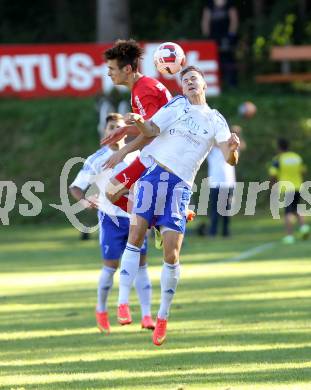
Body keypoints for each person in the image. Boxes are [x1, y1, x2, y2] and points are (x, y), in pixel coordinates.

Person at [115, 65, 240, 346]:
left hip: (180, 187)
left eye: (194, 79)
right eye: (185, 81)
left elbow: (229, 158)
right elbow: (150, 129)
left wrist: (232, 150)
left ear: (204, 84)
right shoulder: (175, 106)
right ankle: (122, 303)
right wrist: (138, 120)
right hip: (154, 176)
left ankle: (162, 317)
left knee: (171, 254)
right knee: (135, 236)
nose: (190, 84)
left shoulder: (215, 119)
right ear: (182, 88)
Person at [69, 113, 155, 334]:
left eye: (119, 126)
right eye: (110, 127)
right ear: (105, 132)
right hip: (111, 220)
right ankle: (101, 310)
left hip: (136, 217)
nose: (114, 130)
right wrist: (86, 200)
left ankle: (146, 315)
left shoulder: (137, 154)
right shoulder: (96, 159)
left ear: (125, 131)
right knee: (110, 267)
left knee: (141, 265)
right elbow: (75, 187)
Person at [101, 39, 172, 213]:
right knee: (119, 193)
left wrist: (123, 151)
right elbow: (152, 126)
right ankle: (156, 219)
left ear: (126, 69)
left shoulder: (143, 90)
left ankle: (156, 220)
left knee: (112, 191)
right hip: (160, 152)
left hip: (160, 156)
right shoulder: (143, 86)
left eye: (111, 69)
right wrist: (125, 129)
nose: (108, 73)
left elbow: (152, 132)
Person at [198, 125, 246, 237]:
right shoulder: (211, 149)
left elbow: (242, 145)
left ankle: (225, 232)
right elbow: (208, 141)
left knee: (226, 209)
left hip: (228, 182)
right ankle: (213, 231)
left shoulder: (231, 148)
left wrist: (237, 135)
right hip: (215, 182)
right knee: (214, 209)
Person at [269, 138, 310, 244]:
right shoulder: (297, 157)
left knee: (288, 212)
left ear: (279, 147)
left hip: (286, 188)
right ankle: (304, 227)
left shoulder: (278, 159)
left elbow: (273, 174)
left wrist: (272, 186)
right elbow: (302, 171)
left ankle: (289, 236)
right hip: (298, 186)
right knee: (295, 208)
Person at [201, 0, 239, 87]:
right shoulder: (209, 4)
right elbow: (205, 21)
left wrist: (231, 35)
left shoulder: (230, 4)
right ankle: (217, 83)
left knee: (228, 59)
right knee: (215, 59)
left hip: (226, 37)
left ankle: (232, 83)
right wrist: (207, 37)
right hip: (213, 37)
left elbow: (234, 20)